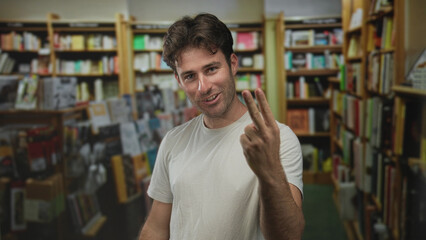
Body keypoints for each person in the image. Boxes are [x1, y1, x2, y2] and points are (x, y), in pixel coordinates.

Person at [139, 13, 305, 240]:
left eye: (211, 69)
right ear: (179, 81)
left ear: (232, 64)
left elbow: (287, 236)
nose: (203, 87)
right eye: (189, 76)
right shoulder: (173, 141)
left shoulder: (278, 138)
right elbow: (157, 228)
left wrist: (270, 172)